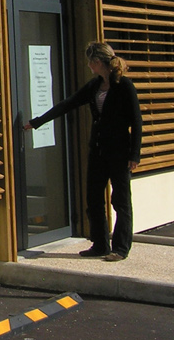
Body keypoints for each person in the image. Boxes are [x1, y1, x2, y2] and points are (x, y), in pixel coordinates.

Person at [24, 40, 142, 261]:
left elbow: (136, 121)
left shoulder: (124, 86)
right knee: (94, 198)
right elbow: (68, 104)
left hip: (120, 152)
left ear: (97, 62)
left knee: (121, 200)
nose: (89, 66)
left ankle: (121, 248)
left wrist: (135, 154)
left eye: (90, 63)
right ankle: (100, 245)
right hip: (98, 150)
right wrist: (38, 122)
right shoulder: (95, 85)